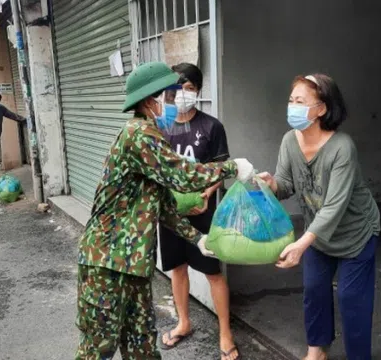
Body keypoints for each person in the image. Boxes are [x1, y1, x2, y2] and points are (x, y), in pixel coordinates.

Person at [75, 61, 254, 360]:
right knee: (98, 349)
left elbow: (163, 204)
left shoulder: (151, 134)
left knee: (142, 344)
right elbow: (182, 176)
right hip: (106, 263)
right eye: (169, 96)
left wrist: (196, 238)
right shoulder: (139, 134)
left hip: (132, 265)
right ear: (150, 101)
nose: (174, 103)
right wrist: (232, 167)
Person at [258, 74, 381, 360]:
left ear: (321, 109)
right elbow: (286, 183)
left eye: (300, 101)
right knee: (314, 291)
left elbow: (334, 207)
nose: (292, 107)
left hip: (356, 234)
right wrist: (271, 184)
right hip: (319, 236)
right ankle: (317, 351)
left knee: (352, 299)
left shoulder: (342, 148)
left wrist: (301, 245)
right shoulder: (290, 140)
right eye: (291, 100)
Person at [158, 63, 239, 360]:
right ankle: (184, 322)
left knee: (213, 273)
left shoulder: (212, 127)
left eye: (188, 88)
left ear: (198, 91)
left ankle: (225, 332)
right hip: (169, 214)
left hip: (204, 214)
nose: (182, 95)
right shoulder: (161, 127)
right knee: (177, 269)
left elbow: (221, 169)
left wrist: (206, 193)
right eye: (176, 89)